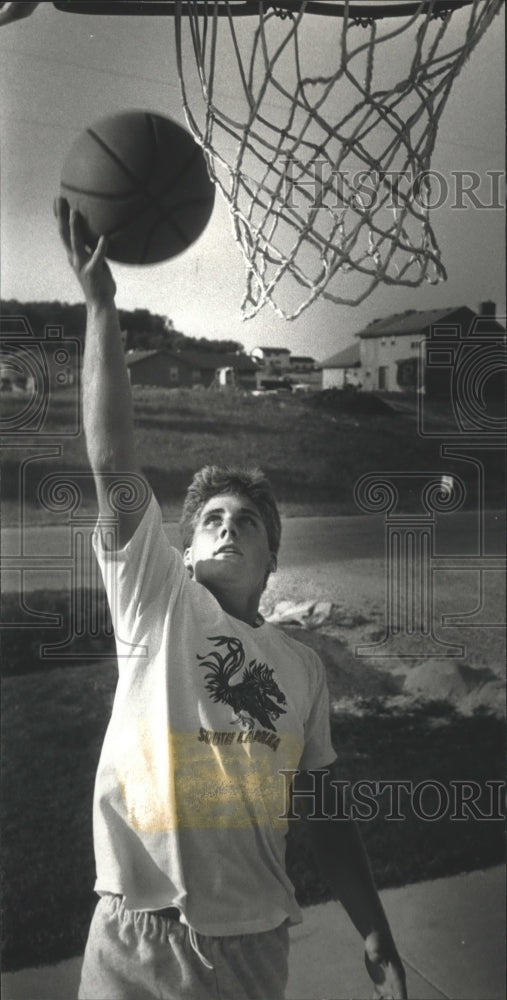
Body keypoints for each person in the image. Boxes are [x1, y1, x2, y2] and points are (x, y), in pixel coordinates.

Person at [56, 198, 407, 1000]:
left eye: (246, 522)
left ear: (271, 560)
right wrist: (103, 308)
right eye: (210, 518)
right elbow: (113, 462)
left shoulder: (302, 668)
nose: (227, 527)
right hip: (135, 940)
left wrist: (373, 926)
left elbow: (320, 810)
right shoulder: (159, 603)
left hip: (251, 949)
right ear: (182, 549)